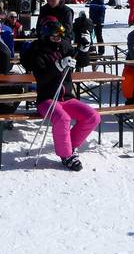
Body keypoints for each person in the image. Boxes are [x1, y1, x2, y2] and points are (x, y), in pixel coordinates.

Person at [21, 21, 100, 171]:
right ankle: (66, 155)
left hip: (67, 98)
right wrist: (58, 65)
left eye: (60, 35)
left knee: (93, 116)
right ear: (46, 36)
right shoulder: (38, 51)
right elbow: (42, 78)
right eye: (54, 36)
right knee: (63, 118)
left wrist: (84, 49)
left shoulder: (64, 46)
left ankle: (70, 145)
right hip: (47, 99)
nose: (58, 38)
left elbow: (81, 63)